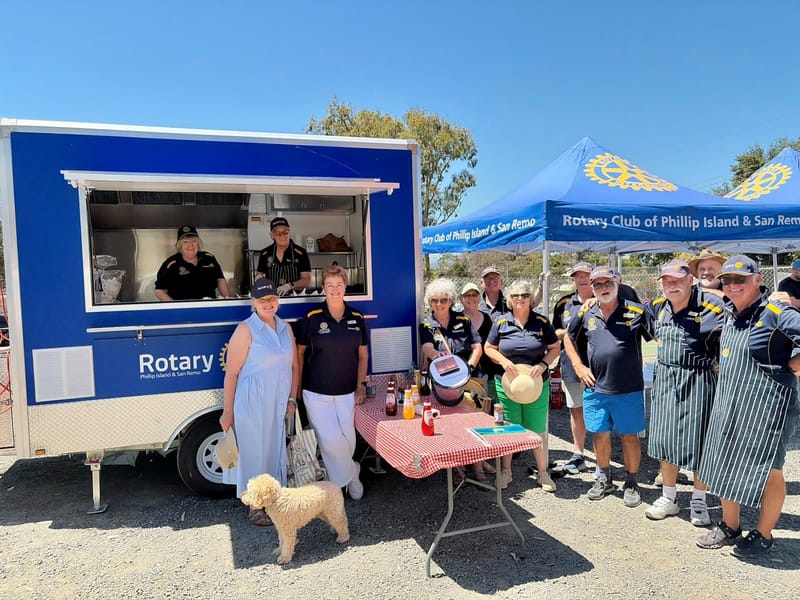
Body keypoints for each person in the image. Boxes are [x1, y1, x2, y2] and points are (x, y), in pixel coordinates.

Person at [696, 256, 800, 558]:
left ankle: (763, 534)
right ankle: (730, 526)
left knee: (769, 470)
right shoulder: (730, 311)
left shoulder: (775, 311)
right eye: (727, 280)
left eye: (740, 279)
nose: (732, 285)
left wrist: (792, 367)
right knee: (723, 460)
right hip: (730, 402)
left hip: (767, 406)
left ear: (756, 280)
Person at [643, 259, 724, 526]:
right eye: (666, 281)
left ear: (690, 280)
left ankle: (699, 499)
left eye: (677, 280)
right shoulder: (657, 306)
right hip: (666, 379)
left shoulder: (714, 306)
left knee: (701, 441)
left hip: (699, 380)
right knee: (665, 439)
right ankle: (669, 497)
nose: (672, 285)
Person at [564, 265, 651, 507]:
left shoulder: (636, 311)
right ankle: (603, 477)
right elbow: (568, 337)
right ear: (592, 288)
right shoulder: (586, 311)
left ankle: (631, 482)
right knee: (600, 435)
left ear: (617, 283)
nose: (603, 288)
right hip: (596, 388)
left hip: (628, 388)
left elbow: (658, 335)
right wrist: (578, 366)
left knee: (629, 437)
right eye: (598, 284)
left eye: (608, 283)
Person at [219, 277, 299, 526]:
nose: (268, 303)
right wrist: (228, 412)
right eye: (262, 299)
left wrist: (292, 398)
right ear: (253, 302)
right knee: (254, 454)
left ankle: (273, 499)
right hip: (251, 402)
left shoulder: (285, 328)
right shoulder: (245, 329)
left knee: (274, 450)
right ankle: (255, 505)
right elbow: (231, 373)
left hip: (278, 402)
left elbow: (295, 366)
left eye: (272, 298)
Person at [296, 265, 368, 500]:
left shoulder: (357, 317)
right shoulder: (311, 317)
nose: (335, 289)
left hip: (347, 391)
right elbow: (299, 354)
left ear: (345, 286)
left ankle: (347, 473)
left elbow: (363, 355)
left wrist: (360, 386)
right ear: (323, 288)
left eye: (339, 285)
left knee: (348, 438)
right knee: (330, 440)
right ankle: (348, 477)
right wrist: (297, 388)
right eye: (330, 285)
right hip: (316, 391)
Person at [484, 279, 561, 492]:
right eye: (516, 295)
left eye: (525, 295)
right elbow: (488, 348)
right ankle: (506, 471)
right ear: (509, 299)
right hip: (507, 384)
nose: (520, 299)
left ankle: (543, 472)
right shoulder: (501, 322)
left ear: (530, 299)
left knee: (537, 429)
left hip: (536, 384)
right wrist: (504, 361)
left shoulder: (541, 322)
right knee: (509, 427)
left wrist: (543, 364)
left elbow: (555, 347)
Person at [420, 279, 484, 480]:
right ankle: (457, 466)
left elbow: (477, 347)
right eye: (434, 300)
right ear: (430, 302)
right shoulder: (426, 324)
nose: (439, 304)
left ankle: (478, 465)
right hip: (442, 382)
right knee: (449, 423)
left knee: (474, 420)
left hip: (468, 379)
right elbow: (427, 347)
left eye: (443, 300)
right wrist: (434, 354)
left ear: (451, 300)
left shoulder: (463, 320)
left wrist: (470, 367)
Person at [551, 261, 594, 475]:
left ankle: (602, 458)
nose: (582, 279)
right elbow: (553, 332)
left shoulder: (603, 299)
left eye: (586, 275)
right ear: (573, 279)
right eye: (578, 276)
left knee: (599, 411)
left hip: (599, 365)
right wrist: (563, 333)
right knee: (576, 409)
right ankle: (579, 454)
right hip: (571, 365)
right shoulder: (564, 303)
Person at [154, 225, 232, 301]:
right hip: (184, 307)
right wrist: (175, 306)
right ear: (180, 246)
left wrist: (229, 301)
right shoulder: (171, 264)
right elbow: (160, 290)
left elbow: (220, 280)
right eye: (185, 242)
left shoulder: (209, 258)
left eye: (194, 241)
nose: (190, 245)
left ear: (198, 243)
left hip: (209, 306)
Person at [255, 217, 312, 296]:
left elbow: (306, 281)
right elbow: (260, 274)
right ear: (272, 235)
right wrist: (258, 277)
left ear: (290, 233)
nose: (282, 236)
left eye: (285, 232)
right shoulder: (265, 253)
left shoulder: (301, 253)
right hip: (272, 297)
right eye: (278, 233)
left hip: (295, 298)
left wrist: (289, 286)